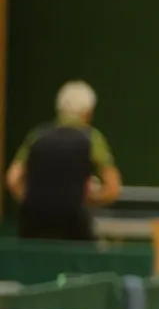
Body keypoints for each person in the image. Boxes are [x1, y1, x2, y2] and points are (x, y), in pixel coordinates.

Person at [5, 80, 121, 241]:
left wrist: (34, 202)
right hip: (74, 226)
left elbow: (12, 179)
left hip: (33, 225)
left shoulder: (36, 135)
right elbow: (113, 189)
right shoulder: (92, 138)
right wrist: (91, 199)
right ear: (88, 112)